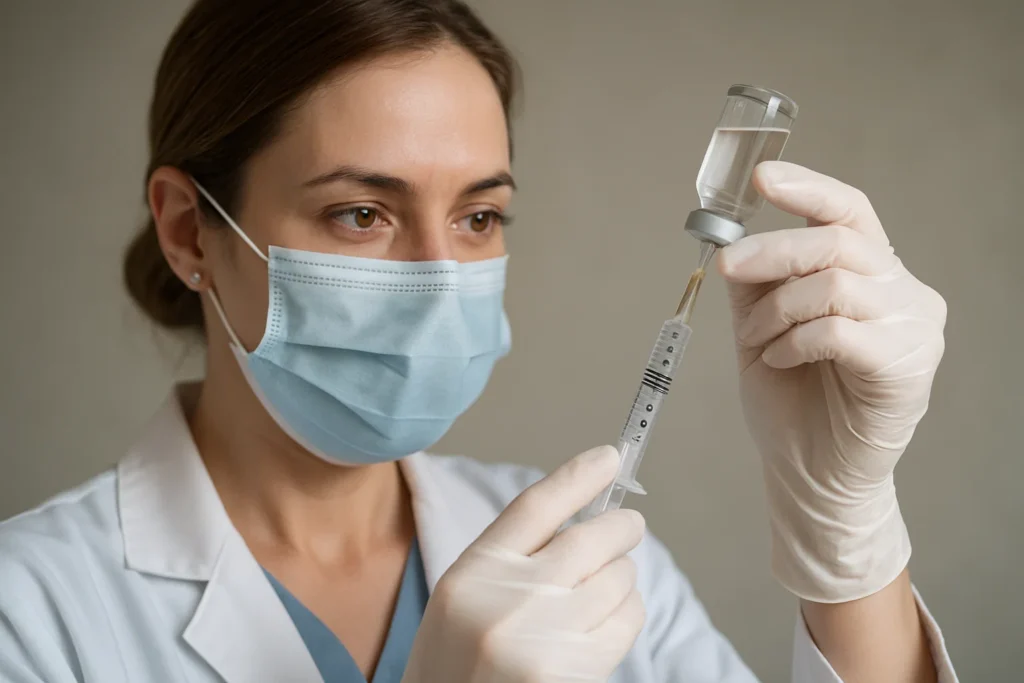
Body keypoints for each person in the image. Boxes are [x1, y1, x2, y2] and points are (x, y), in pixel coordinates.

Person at [0, 1, 957, 682]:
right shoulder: (34, 614)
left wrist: (849, 536)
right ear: (186, 230)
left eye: (478, 217)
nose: (437, 278)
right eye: (362, 211)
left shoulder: (583, 560)